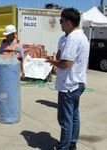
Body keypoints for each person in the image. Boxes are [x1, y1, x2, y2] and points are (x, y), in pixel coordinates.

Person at [46, 8, 90, 150]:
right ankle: (72, 144)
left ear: (69, 23)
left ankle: (64, 147)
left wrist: (54, 63)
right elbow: (62, 59)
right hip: (78, 83)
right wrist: (56, 61)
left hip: (69, 85)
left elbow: (66, 64)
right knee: (74, 117)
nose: (60, 24)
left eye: (61, 21)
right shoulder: (81, 36)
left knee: (65, 120)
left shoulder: (73, 38)